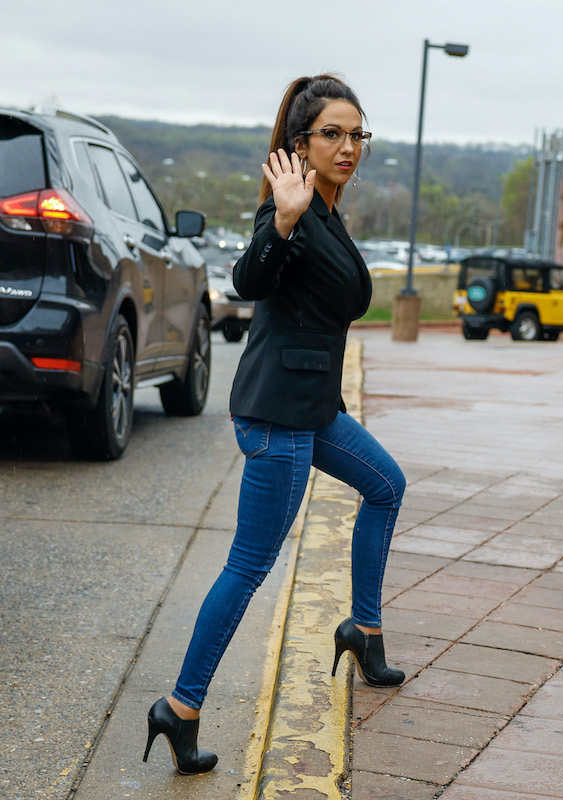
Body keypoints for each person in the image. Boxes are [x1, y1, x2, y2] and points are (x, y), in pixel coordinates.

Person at [144, 75, 407, 775]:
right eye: (333, 134)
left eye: (358, 134)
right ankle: (181, 705)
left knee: (386, 486)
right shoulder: (289, 210)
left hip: (312, 409)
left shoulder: (328, 208)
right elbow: (246, 282)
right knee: (250, 565)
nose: (349, 146)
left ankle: (364, 629)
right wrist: (284, 218)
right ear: (300, 144)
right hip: (275, 417)